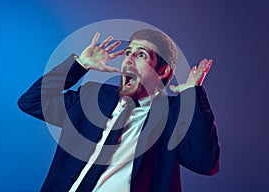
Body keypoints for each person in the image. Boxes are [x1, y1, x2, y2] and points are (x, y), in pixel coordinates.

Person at [18, 29, 220, 192]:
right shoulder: (94, 97)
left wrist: (193, 94)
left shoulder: (172, 116)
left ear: (162, 71)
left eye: (141, 55)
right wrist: (79, 65)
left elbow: (205, 163)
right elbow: (31, 101)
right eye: (128, 53)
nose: (129, 60)